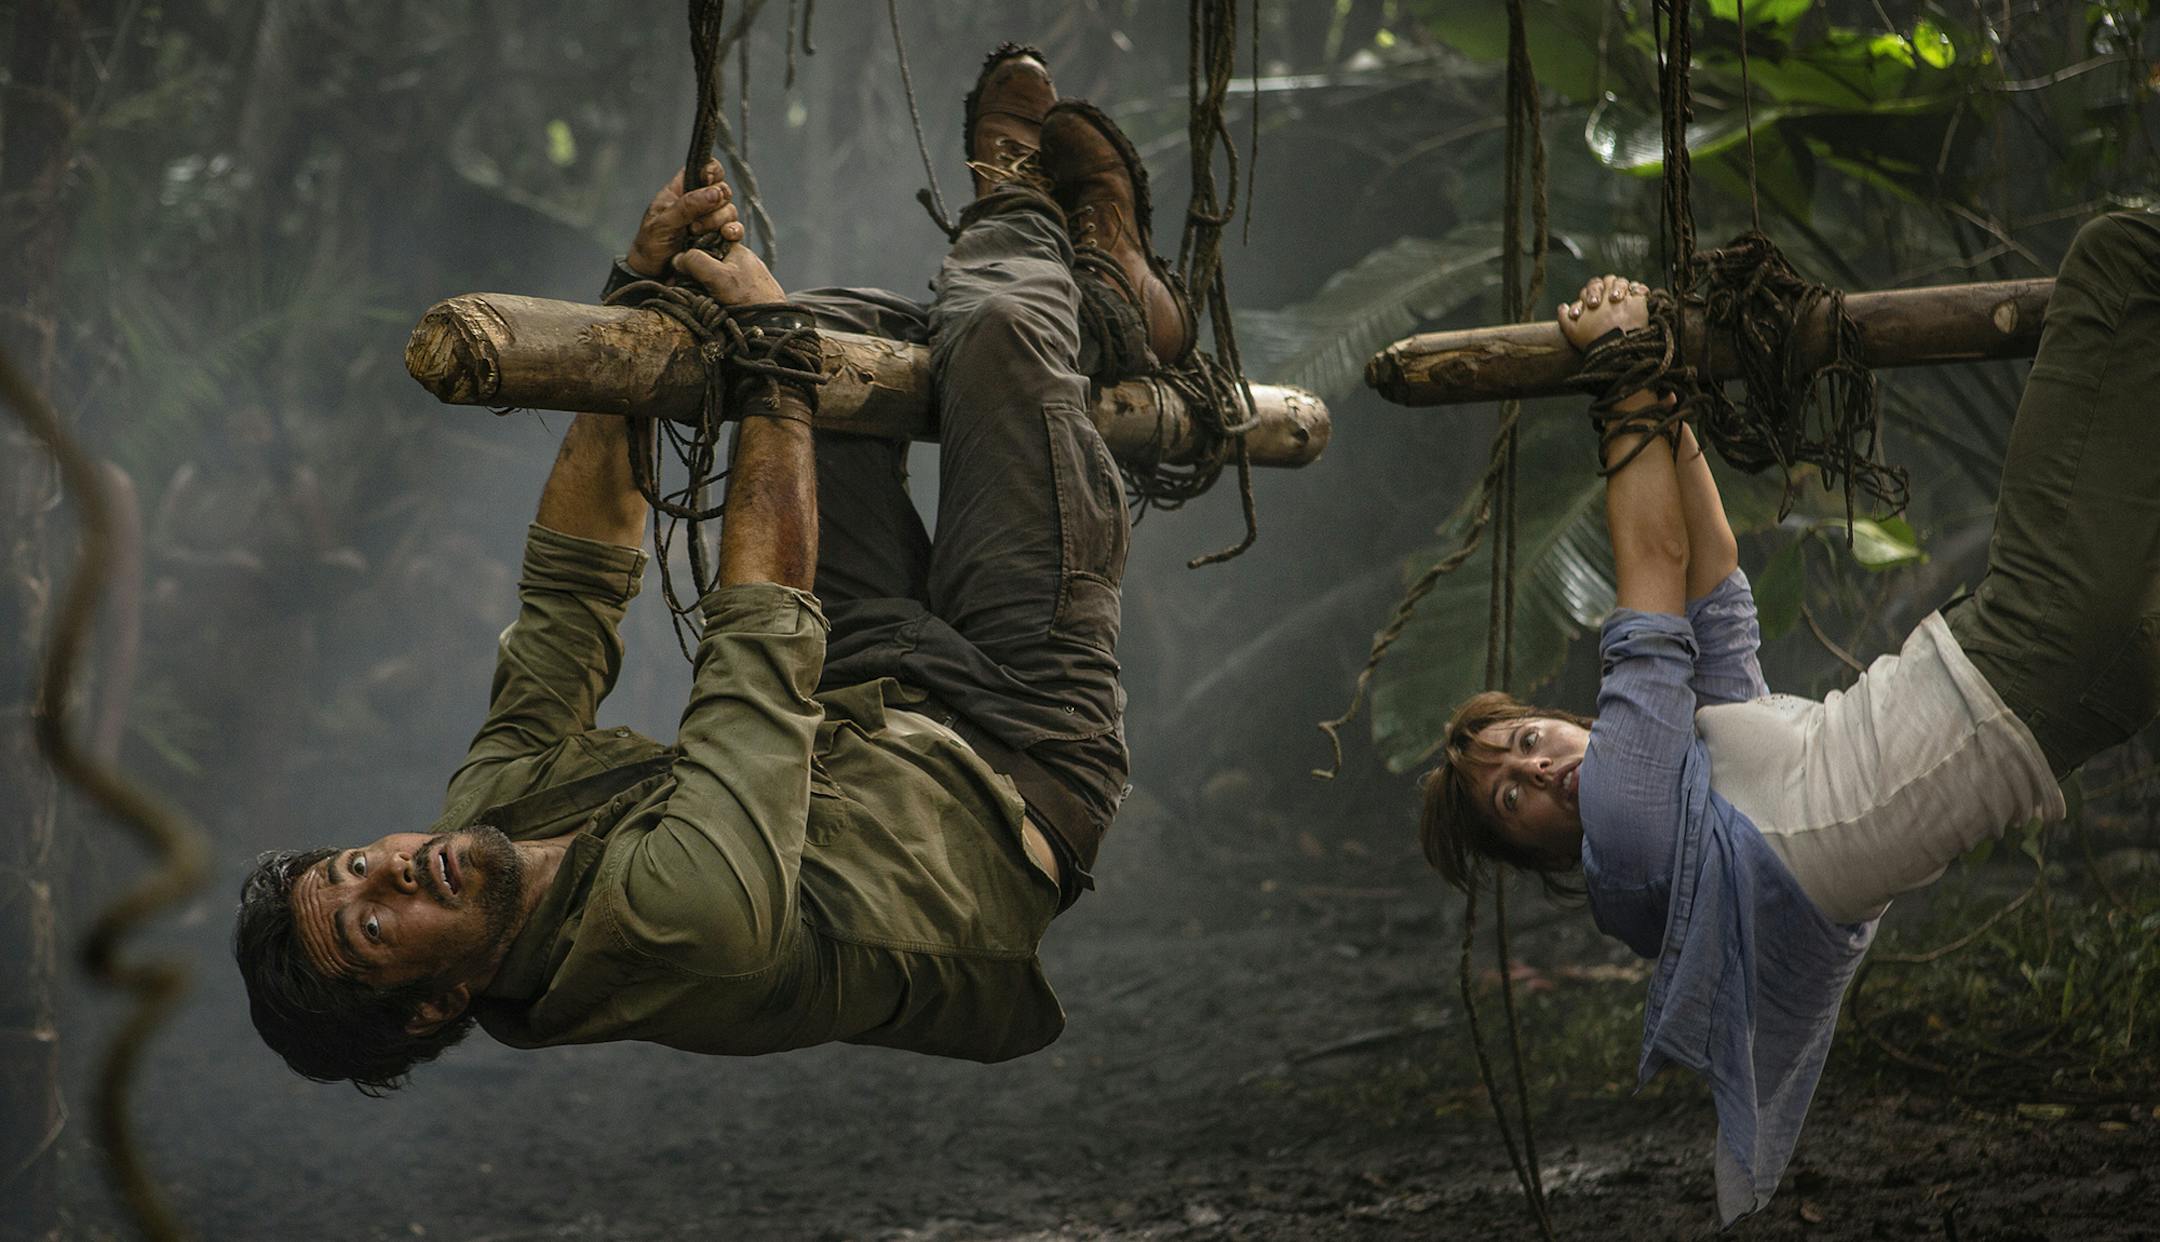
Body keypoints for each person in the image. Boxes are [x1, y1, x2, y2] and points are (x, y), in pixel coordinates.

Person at [233, 45, 1199, 1092]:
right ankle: (1040, 241)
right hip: (1017, 760)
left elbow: (572, 584)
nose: (397, 868)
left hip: (857, 703)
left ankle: (1100, 310)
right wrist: (769, 350)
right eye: (377, 924)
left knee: (830, 332)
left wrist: (639, 289)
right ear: (437, 1004)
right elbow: (758, 643)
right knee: (1000, 334)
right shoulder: (675, 932)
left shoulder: (491, 813)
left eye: (354, 865)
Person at [1418, 212, 2160, 1223]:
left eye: (1530, 741)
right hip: (2023, 656)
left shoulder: (1705, 819)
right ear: (1542, 852)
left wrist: (1667, 403)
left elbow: (1712, 590)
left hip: (2072, 695)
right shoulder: (1631, 848)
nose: (1540, 771)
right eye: (1513, 797)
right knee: (2119, 260)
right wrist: (1625, 371)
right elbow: (1656, 570)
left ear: (1565, 720)